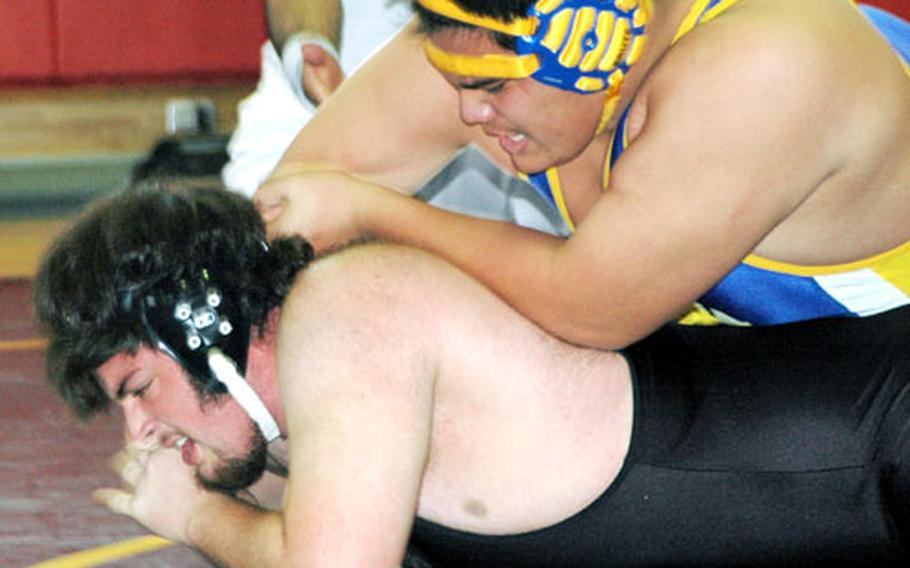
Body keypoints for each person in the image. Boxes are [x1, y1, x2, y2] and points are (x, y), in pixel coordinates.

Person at [33, 183, 910, 566]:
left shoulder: (345, 313)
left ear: (207, 332)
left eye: (138, 391)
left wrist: (194, 514)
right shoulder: (312, 424)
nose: (141, 433)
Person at [255, 0, 910, 349]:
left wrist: (375, 211)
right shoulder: (488, 35)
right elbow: (298, 200)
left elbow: (590, 309)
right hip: (772, 372)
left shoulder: (764, 68)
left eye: (489, 88)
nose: (468, 110)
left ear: (593, 44)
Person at [224, 0, 567, 235]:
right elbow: (288, 221)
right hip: (326, 101)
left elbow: (587, 300)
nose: (470, 110)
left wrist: (371, 210)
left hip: (533, 70)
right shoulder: (437, 72)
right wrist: (308, 43)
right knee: (278, 242)